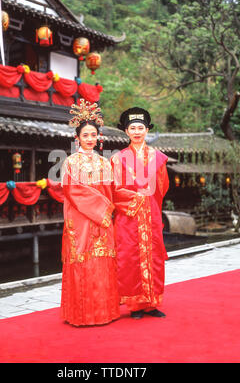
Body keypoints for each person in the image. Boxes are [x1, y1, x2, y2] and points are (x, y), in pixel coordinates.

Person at [58, 100, 143, 327]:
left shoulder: (105, 163)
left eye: (93, 135)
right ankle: (81, 314)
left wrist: (133, 198)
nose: (90, 139)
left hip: (102, 222)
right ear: (77, 137)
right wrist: (103, 209)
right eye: (85, 135)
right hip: (80, 220)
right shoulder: (70, 163)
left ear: (99, 137)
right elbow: (73, 192)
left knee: (103, 263)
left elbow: (113, 191)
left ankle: (104, 312)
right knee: (83, 263)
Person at [110, 107, 169, 319]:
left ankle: (151, 303)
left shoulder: (158, 158)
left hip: (151, 215)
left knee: (153, 257)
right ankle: (135, 305)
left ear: (147, 130)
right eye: (132, 128)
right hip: (129, 216)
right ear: (126, 131)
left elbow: (162, 187)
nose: (137, 131)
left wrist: (151, 204)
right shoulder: (119, 158)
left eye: (140, 128)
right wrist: (138, 199)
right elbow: (115, 189)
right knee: (130, 258)